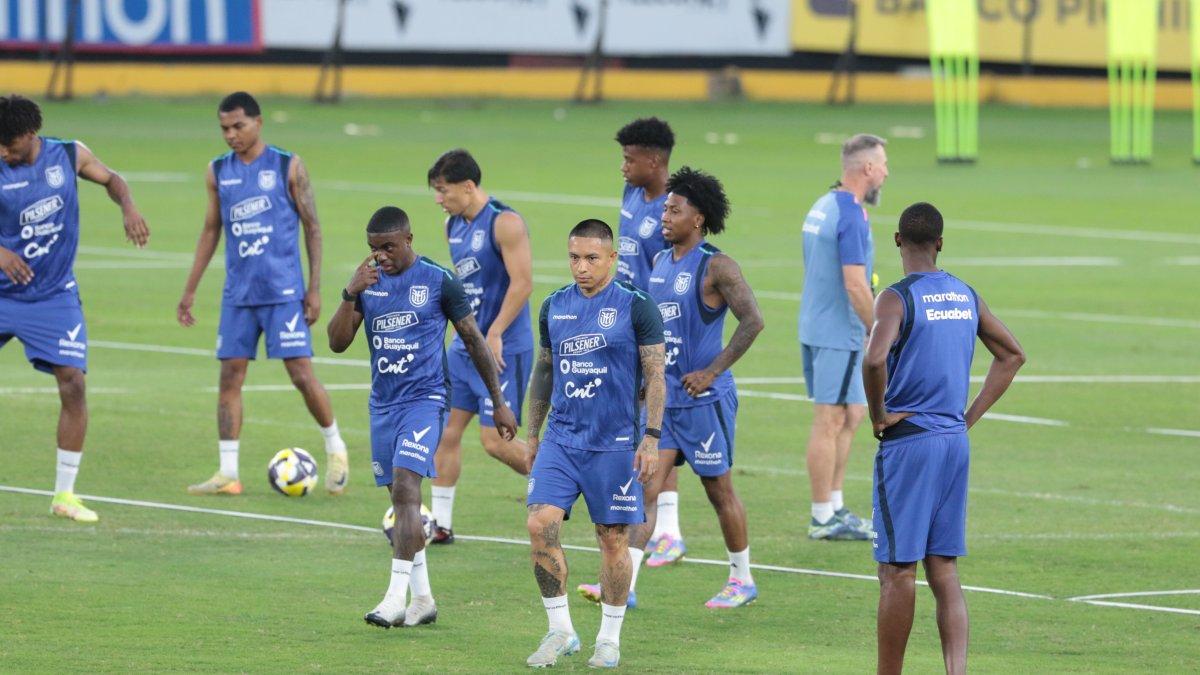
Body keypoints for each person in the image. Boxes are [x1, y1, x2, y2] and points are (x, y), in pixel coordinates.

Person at [579, 167, 764, 609]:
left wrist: (712, 372)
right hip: (666, 403)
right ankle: (625, 584)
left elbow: (753, 320)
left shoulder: (717, 265)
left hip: (703, 403)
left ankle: (742, 579)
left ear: (698, 219)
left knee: (718, 490)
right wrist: (643, 382)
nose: (664, 216)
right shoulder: (661, 262)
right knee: (644, 488)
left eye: (675, 210)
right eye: (664, 208)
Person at [327, 206, 516, 629]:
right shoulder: (367, 282)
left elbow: (473, 339)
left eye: (389, 247)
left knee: (407, 488)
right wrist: (349, 292)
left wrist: (498, 401)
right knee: (399, 495)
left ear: (409, 239)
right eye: (374, 249)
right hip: (383, 404)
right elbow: (337, 343)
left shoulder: (438, 280)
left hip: (426, 399)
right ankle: (424, 599)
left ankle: (395, 599)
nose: (381, 256)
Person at [863, 202, 1025, 674]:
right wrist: (968, 417)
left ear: (896, 241)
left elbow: (874, 360)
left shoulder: (895, 297)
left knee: (896, 571)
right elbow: (1012, 355)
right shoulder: (964, 294)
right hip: (954, 441)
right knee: (945, 570)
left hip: (909, 442)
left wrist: (878, 415)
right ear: (940, 243)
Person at [178, 91, 348, 497]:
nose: (231, 135)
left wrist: (314, 288)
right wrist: (190, 289)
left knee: (301, 374)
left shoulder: (288, 166)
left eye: (238, 126)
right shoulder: (218, 171)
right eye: (224, 128)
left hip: (282, 292)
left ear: (258, 123)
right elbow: (210, 230)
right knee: (230, 376)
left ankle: (336, 448)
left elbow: (313, 227)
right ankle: (228, 473)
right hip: (238, 294)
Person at [0, 94, 150, 522]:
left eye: (7, 143)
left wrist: (129, 207)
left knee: (74, 385)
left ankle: (64, 495)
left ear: (29, 135)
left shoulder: (68, 154)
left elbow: (112, 179)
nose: (2, 151)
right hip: (2, 292)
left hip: (53, 297)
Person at [524, 219, 664, 669]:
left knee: (611, 541)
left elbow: (657, 375)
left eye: (591, 258)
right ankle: (560, 630)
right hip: (562, 439)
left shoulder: (636, 306)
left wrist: (651, 437)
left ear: (611, 258)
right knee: (538, 525)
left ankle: (609, 638)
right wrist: (532, 432)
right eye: (573, 257)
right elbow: (544, 370)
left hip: (615, 444)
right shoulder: (553, 306)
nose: (580, 267)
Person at [426, 149, 533, 544]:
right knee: (446, 432)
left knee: (494, 442)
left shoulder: (505, 223)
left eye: (443, 190)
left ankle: (564, 483)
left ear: (468, 187)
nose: (438, 198)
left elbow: (522, 283)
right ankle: (440, 524)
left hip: (503, 350)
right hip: (466, 350)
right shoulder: (452, 226)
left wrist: (496, 332)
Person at [798, 133, 889, 541]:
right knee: (831, 418)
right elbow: (855, 284)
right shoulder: (851, 214)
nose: (886, 172)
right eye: (883, 164)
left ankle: (835, 507)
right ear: (867, 168)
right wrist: (878, 330)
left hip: (818, 324)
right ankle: (822, 516)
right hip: (839, 331)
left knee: (851, 414)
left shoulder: (822, 204)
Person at [614, 116, 686, 566]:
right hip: (622, 325)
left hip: (649, 332)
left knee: (654, 429)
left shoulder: (671, 213)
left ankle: (669, 532)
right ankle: (666, 531)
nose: (622, 166)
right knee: (649, 431)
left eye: (629, 158)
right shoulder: (630, 194)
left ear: (654, 161)